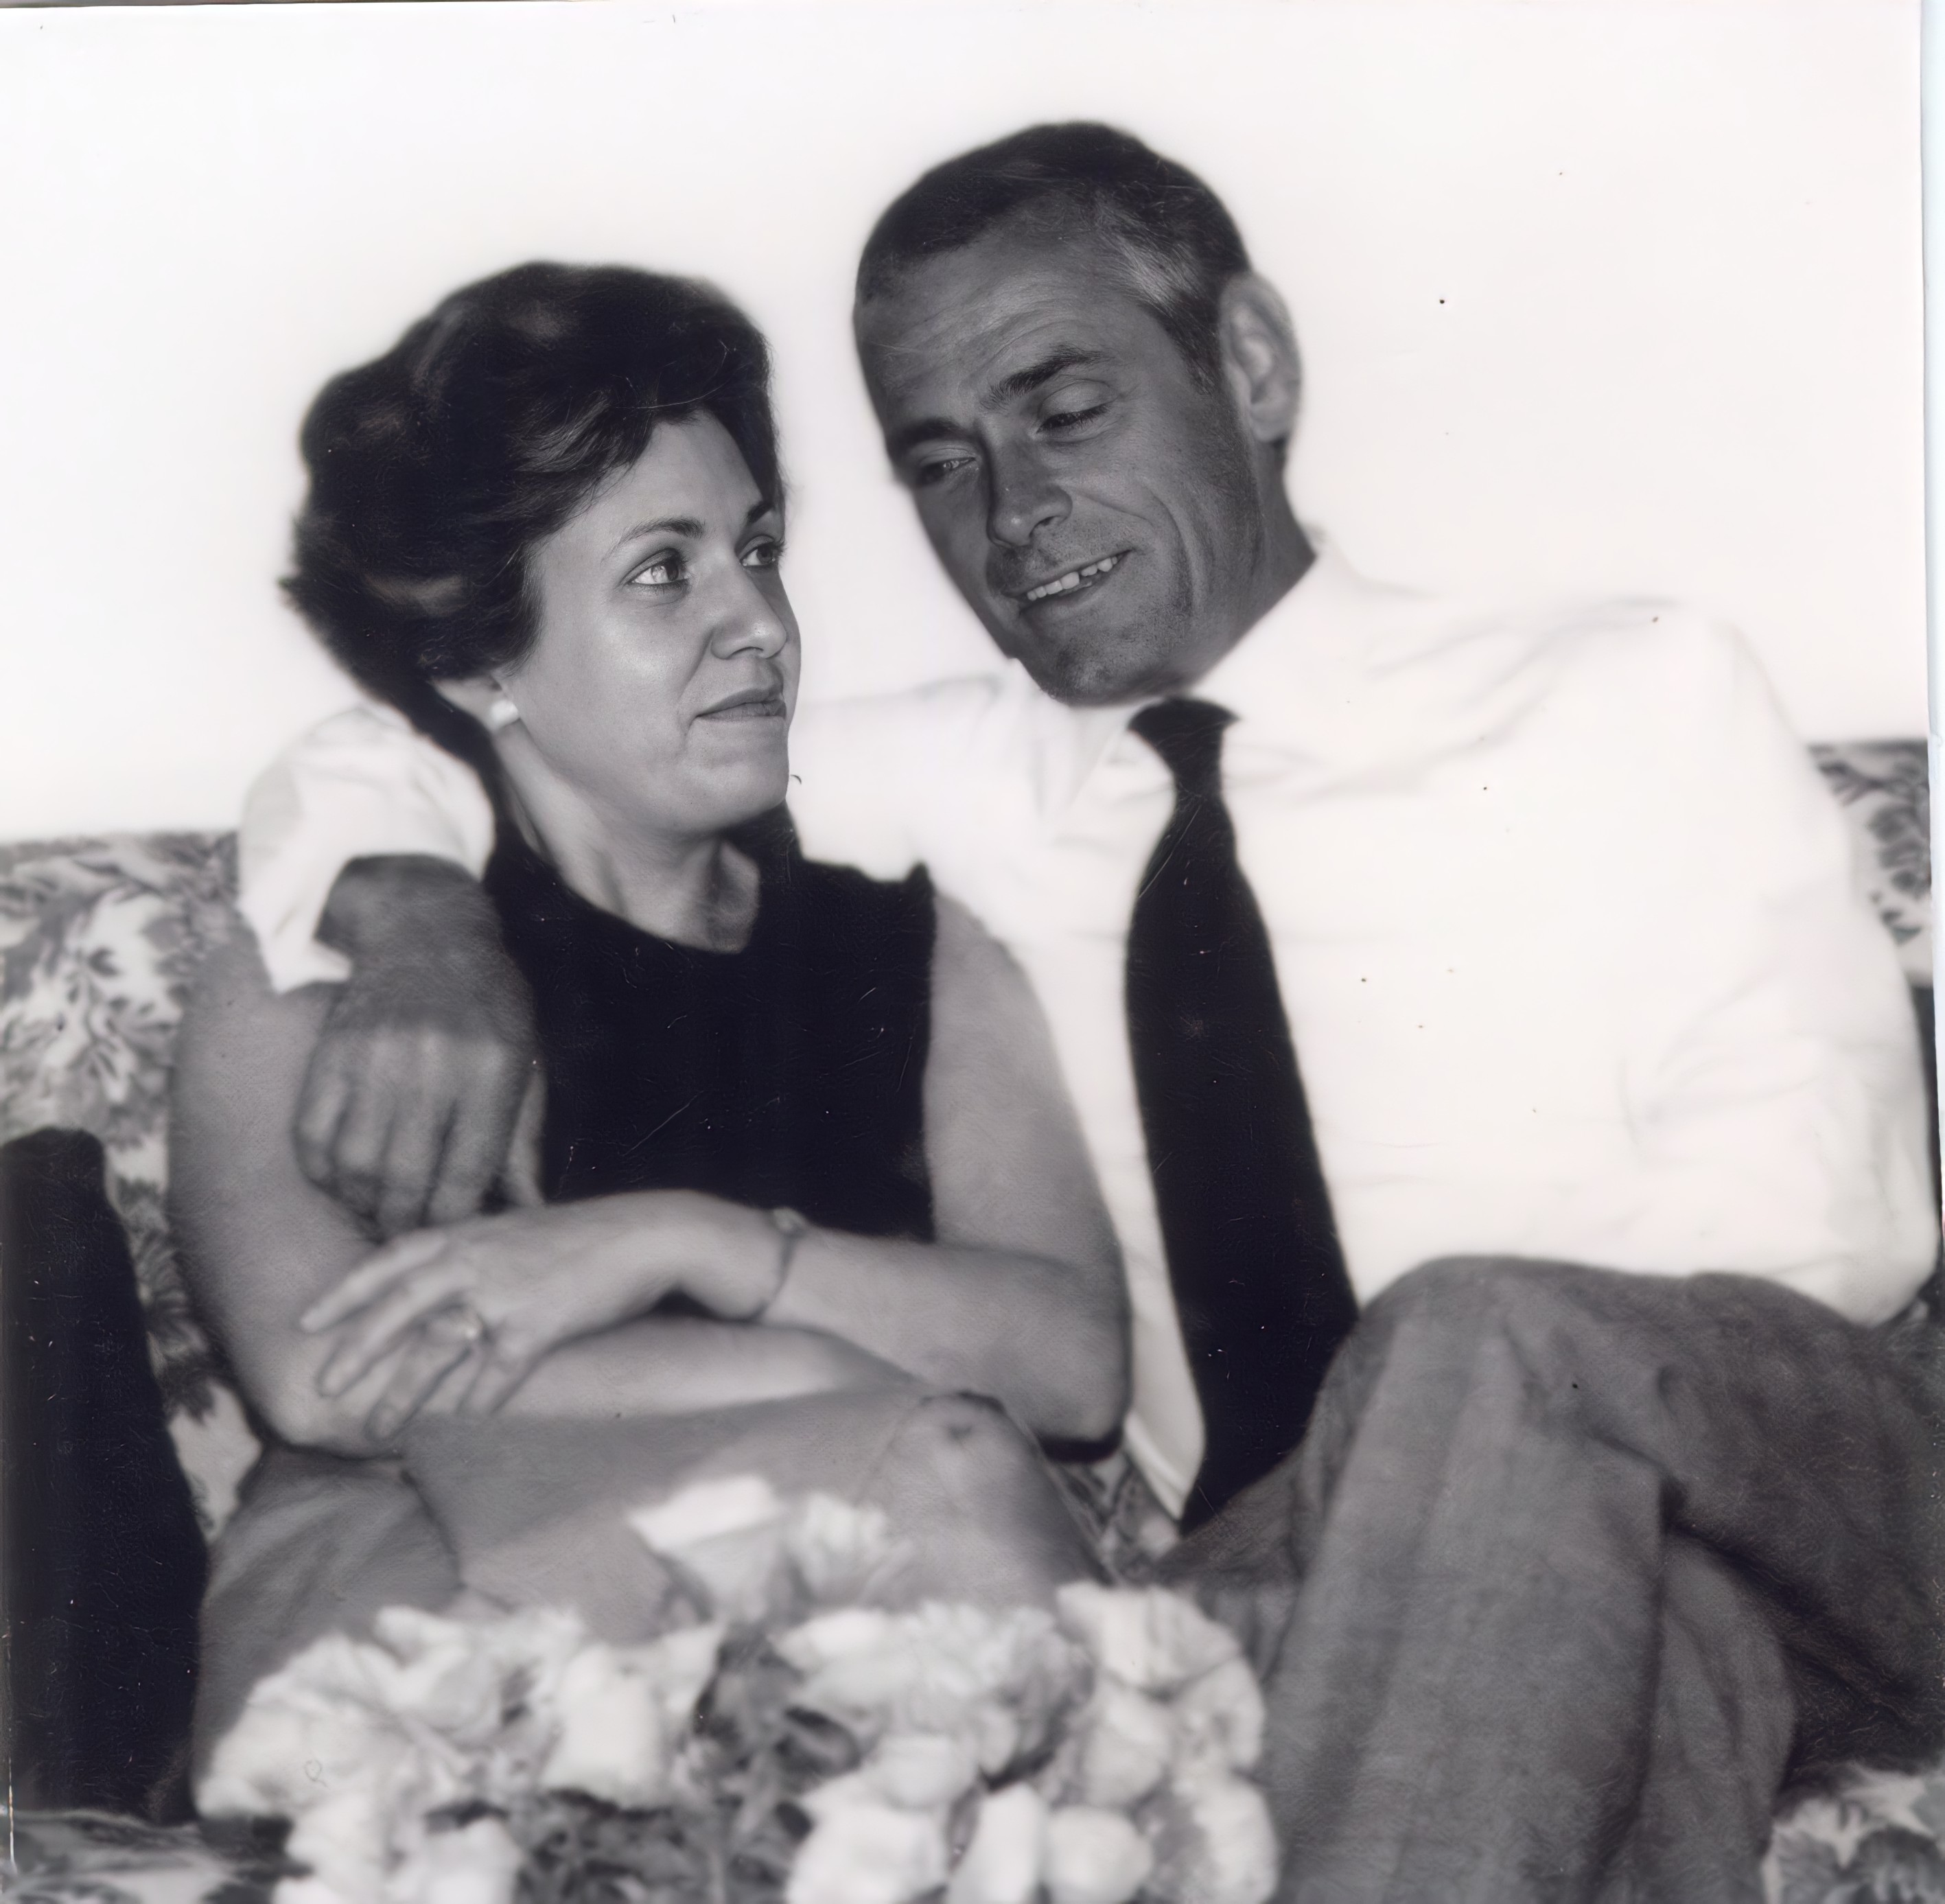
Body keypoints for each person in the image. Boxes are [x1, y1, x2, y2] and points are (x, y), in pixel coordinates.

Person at [231, 127, 1944, 1897]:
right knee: (1635, 1674)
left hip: (1811, 1496)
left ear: (1250, 366)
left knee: (1481, 1342)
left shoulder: (1625, 689)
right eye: (941, 465)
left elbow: (1830, 1214)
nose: (1012, 512)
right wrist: (416, 911)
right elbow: (482, 724)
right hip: (1373, 1589)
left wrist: (1423, 1457)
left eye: (1065, 412)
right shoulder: (961, 788)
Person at [168, 260, 1129, 1772]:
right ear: (480, 656)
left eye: (757, 550)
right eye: (662, 572)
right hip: (427, 1610)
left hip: (834, 1626)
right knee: (947, 1477)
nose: (758, 622)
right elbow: (326, 1376)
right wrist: (838, 1370)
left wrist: (686, 1244)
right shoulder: (355, 968)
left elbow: (1071, 1362)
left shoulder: (915, 950)